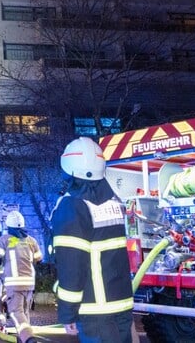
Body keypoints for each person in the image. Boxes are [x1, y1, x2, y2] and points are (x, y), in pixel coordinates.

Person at [50, 137, 134, 343]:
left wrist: (67, 313)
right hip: (121, 305)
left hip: (94, 311)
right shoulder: (114, 202)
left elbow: (72, 265)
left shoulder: (72, 206)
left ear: (68, 170)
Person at [0, 210, 42, 343]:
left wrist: (3, 267)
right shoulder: (32, 241)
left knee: (16, 312)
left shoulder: (5, 240)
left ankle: (29, 339)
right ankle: (24, 337)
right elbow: (39, 259)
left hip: (14, 284)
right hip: (29, 283)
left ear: (8, 226)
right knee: (24, 313)